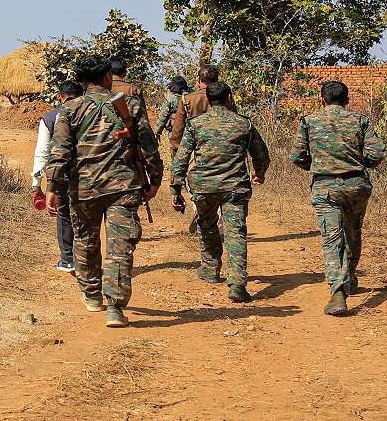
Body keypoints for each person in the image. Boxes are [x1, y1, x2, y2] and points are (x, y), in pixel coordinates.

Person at [45, 56, 163, 328]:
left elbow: (60, 152)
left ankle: (91, 295)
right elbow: (148, 145)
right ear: (108, 77)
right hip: (123, 187)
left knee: (85, 241)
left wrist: (52, 186)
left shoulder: (69, 109)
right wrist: (155, 179)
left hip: (83, 189)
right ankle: (116, 308)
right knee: (120, 248)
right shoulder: (130, 105)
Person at [289, 80, 386, 317]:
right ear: (347, 99)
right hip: (356, 185)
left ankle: (338, 293)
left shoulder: (309, 121)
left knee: (332, 239)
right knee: (353, 231)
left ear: (322, 99)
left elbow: (297, 156)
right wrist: (359, 165)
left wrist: (319, 166)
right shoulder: (360, 120)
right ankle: (350, 278)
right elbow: (378, 152)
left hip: (325, 186)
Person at [169, 82, 269, 303]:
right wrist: (259, 173)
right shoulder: (244, 124)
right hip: (235, 188)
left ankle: (210, 268)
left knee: (207, 226)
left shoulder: (196, 125)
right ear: (229, 97)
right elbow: (261, 155)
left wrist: (175, 189)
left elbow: (181, 159)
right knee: (236, 233)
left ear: (208, 98)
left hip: (204, 187)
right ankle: (237, 285)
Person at [170, 65, 239, 234]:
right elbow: (234, 120)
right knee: (224, 181)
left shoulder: (187, 99)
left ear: (198, 80)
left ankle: (199, 210)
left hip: (194, 147)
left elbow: (177, 131)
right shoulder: (225, 97)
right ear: (217, 80)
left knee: (198, 184)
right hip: (223, 147)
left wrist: (179, 152)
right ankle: (221, 219)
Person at [31, 80, 85, 273]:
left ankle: (68, 259)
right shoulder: (93, 113)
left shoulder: (50, 118)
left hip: (62, 174)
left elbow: (42, 153)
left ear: (59, 97)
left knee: (64, 213)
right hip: (91, 174)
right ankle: (88, 259)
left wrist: (37, 184)